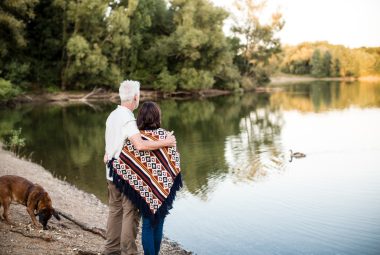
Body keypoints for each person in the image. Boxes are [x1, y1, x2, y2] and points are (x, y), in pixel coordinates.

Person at [103, 80, 176, 255]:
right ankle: (129, 252)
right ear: (135, 97)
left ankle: (111, 250)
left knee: (114, 212)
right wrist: (166, 141)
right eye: (139, 96)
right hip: (125, 177)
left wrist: (106, 154)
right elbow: (140, 146)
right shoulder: (128, 119)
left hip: (111, 174)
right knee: (130, 214)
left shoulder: (112, 115)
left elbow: (111, 143)